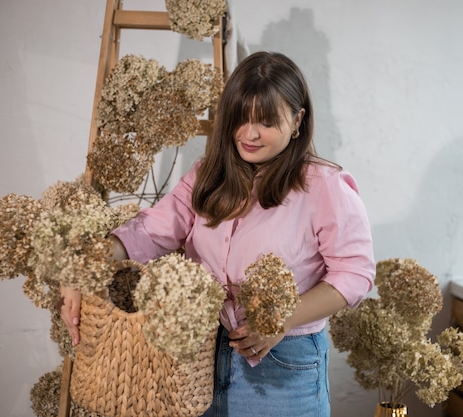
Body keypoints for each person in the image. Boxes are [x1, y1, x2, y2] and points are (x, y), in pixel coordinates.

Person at [60, 51, 375, 417]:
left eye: (267, 122)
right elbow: (149, 231)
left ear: (298, 119)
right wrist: (83, 269)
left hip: (285, 365)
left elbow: (355, 274)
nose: (249, 134)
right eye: (240, 119)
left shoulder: (326, 187)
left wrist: (280, 319)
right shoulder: (206, 176)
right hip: (200, 360)